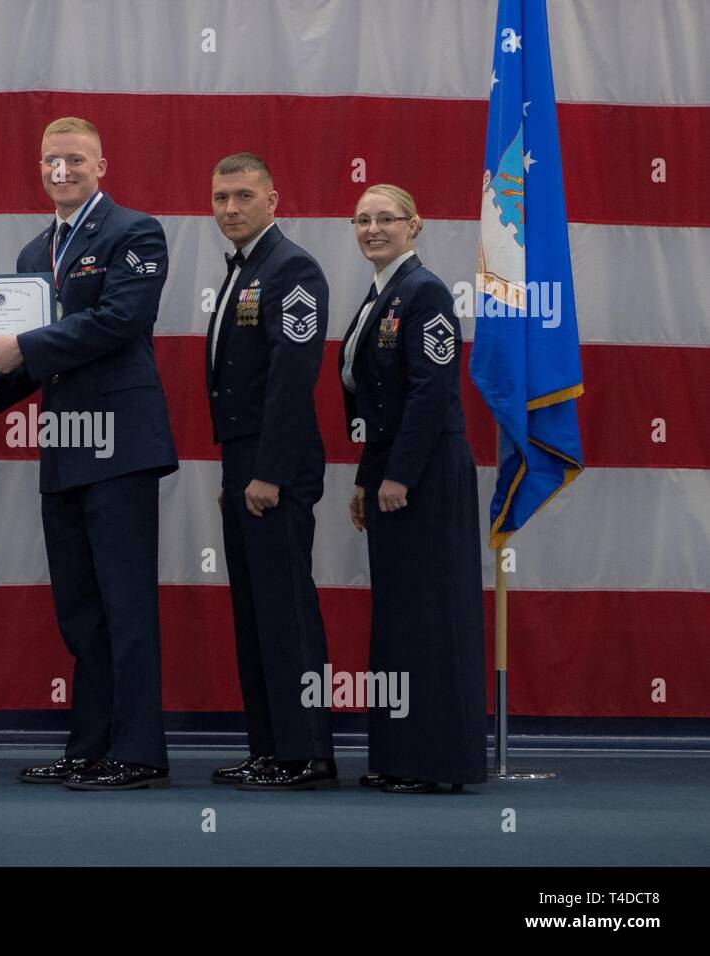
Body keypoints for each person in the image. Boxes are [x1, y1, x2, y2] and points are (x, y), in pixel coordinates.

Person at [0, 117, 179, 790]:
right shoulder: (37, 252)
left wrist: (23, 349)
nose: (61, 170)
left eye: (74, 159)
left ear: (101, 164)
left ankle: (140, 751)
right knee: (80, 612)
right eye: (50, 160)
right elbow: (38, 355)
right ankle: (90, 745)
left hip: (120, 444)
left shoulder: (135, 232)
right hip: (63, 447)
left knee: (126, 606)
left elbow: (120, 322)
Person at [338, 184, 487, 794]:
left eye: (386, 219)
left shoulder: (424, 293)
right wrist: (365, 478)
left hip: (426, 475)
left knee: (431, 617)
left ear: (414, 225)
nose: (373, 229)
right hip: (392, 473)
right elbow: (377, 402)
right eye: (362, 220)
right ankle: (399, 755)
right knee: (400, 617)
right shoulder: (381, 294)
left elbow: (432, 392)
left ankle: (437, 763)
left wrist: (398, 475)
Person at [203, 153, 337, 791]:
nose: (230, 208)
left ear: (273, 200)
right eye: (222, 197)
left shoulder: (293, 269)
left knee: (285, 610)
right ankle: (270, 749)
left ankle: (307, 750)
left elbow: (293, 375)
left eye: (243, 196)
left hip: (271, 466)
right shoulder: (246, 268)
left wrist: (268, 471)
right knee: (255, 614)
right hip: (245, 462)